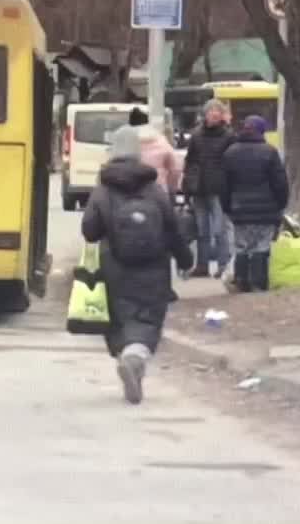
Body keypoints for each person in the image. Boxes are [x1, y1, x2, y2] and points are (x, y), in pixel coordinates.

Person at [81, 129, 195, 405]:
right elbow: (172, 229)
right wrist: (185, 259)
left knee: (120, 318)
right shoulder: (154, 190)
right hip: (154, 267)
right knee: (147, 318)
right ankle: (136, 358)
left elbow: (90, 231)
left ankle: (126, 357)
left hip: (114, 267)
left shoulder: (103, 190)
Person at [221, 115, 288, 292]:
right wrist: (280, 204)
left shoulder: (230, 152)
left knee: (241, 246)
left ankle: (241, 281)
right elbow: (280, 183)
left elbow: (224, 185)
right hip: (266, 209)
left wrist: (227, 206)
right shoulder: (269, 152)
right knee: (262, 245)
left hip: (239, 209)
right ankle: (258, 282)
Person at [181, 99, 235, 277]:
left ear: (221, 115)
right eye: (211, 110)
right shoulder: (196, 135)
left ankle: (222, 265)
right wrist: (187, 186)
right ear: (205, 114)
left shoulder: (228, 136)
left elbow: (231, 163)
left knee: (219, 229)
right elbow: (189, 162)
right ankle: (202, 266)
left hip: (219, 188)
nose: (214, 113)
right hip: (199, 188)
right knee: (202, 230)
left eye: (218, 111)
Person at [128, 108, 182, 193]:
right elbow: (175, 169)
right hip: (158, 191)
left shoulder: (126, 143)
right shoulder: (161, 140)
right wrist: (171, 189)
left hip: (131, 192)